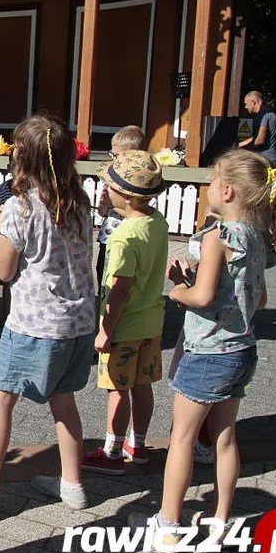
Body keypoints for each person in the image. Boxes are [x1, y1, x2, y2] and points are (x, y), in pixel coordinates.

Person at [130, 150, 276, 549]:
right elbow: (256, 299)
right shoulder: (257, 240)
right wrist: (197, 282)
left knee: (182, 439)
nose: (206, 188)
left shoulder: (216, 237)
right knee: (224, 440)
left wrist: (179, 290)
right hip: (241, 351)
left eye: (210, 181)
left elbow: (204, 297)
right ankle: (221, 520)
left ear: (227, 191)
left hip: (207, 353)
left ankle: (169, 525)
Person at [0, 115, 95, 519]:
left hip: (34, 324)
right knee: (65, 403)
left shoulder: (19, 206)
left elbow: (5, 273)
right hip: (77, 321)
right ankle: (73, 485)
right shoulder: (80, 202)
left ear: (20, 158)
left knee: (0, 401)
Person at [81, 151, 169, 476]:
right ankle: (139, 444)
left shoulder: (123, 237)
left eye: (109, 185)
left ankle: (113, 452)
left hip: (125, 326)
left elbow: (120, 290)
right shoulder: (157, 222)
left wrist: (105, 330)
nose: (105, 190)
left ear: (127, 196)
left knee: (117, 388)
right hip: (152, 320)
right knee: (142, 385)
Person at [96, 126, 147, 292]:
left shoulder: (142, 183)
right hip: (108, 238)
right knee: (102, 279)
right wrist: (103, 206)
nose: (114, 160)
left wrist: (114, 206)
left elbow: (139, 214)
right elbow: (103, 212)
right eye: (112, 155)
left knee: (120, 283)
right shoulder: (113, 178)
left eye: (117, 156)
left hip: (127, 240)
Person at [237, 91, 276, 166]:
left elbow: (259, 140)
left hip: (266, 159)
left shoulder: (265, 115)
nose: (246, 107)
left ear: (253, 102)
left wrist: (242, 149)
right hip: (267, 157)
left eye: (246, 104)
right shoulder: (267, 114)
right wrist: (240, 144)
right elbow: (256, 137)